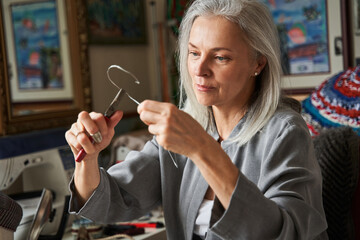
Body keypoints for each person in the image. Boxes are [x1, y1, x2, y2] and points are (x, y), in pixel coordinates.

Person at [65, 0, 328, 239]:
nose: (200, 70)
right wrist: (87, 159)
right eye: (194, 53)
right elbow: (111, 201)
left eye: (220, 57)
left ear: (258, 63)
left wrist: (202, 149)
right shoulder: (187, 127)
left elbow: (287, 233)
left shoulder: (285, 132)